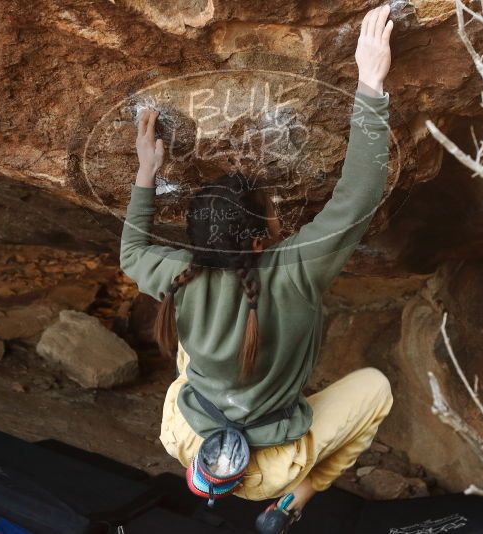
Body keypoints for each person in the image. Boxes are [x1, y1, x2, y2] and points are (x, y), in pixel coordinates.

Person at [120, 6, 394, 533]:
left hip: (188, 431)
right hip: (271, 468)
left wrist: (146, 173)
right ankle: (297, 498)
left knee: (188, 350)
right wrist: (370, 82)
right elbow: (356, 197)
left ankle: (215, 476)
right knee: (378, 386)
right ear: (256, 236)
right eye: (269, 211)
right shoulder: (295, 270)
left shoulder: (178, 274)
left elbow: (132, 252)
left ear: (196, 240)